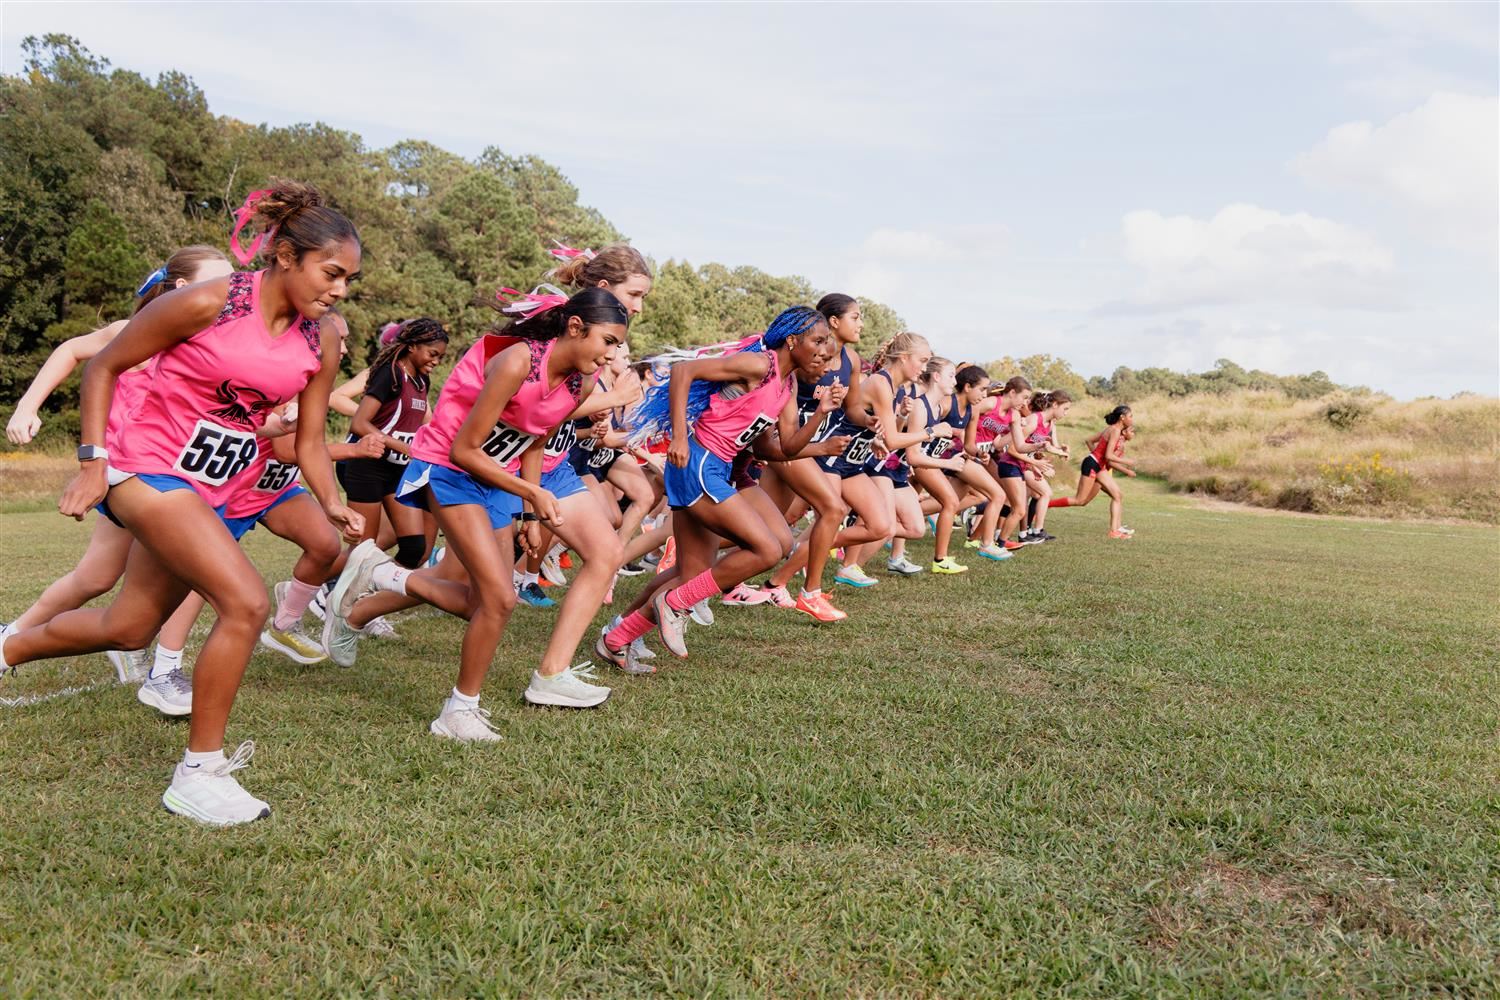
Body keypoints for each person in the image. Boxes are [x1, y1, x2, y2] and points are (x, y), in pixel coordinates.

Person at [1, 181, 365, 826]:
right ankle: (198, 772)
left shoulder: (322, 339)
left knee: (129, 626)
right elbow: (102, 367)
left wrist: (332, 501)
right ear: (285, 255)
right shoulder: (211, 302)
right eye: (331, 273)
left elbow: (309, 439)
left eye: (347, 281)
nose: (338, 290)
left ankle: (7, 650)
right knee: (246, 601)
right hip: (144, 467)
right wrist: (92, 463)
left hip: (215, 485)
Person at [322, 286, 631, 738]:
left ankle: (383, 575)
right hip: (449, 470)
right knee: (501, 599)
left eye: (617, 347)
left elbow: (536, 438)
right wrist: (531, 491)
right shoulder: (517, 362)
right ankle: (457, 711)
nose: (610, 356)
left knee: (479, 603)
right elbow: (465, 449)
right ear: (576, 327)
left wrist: (528, 512)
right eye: (607, 342)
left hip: (496, 478)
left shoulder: (577, 380)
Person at [2, 247, 233, 682]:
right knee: (97, 577)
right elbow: (71, 350)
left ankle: (160, 665)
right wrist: (27, 406)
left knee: (179, 572)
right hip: (128, 473)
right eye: (219, 281)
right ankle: (11, 637)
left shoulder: (218, 348)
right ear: (184, 288)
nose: (230, 291)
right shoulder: (136, 331)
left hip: (178, 480)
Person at [599, 306, 839, 665]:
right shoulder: (760, 365)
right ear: (793, 341)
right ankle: (676, 604)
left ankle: (616, 638)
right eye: (817, 341)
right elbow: (683, 371)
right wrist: (679, 436)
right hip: (697, 463)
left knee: (690, 573)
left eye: (826, 344)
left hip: (718, 470)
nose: (824, 350)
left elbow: (783, 448)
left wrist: (820, 414)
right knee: (768, 551)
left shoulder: (786, 386)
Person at [1048, 404, 1134, 538]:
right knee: (1079, 500)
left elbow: (1089, 441)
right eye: (1130, 416)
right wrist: (1128, 463)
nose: (1132, 419)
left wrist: (1096, 457)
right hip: (1092, 465)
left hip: (1097, 465)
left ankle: (1115, 530)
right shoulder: (1115, 431)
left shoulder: (1112, 429)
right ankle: (1045, 505)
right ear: (1122, 418)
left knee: (1117, 495)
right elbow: (1109, 456)